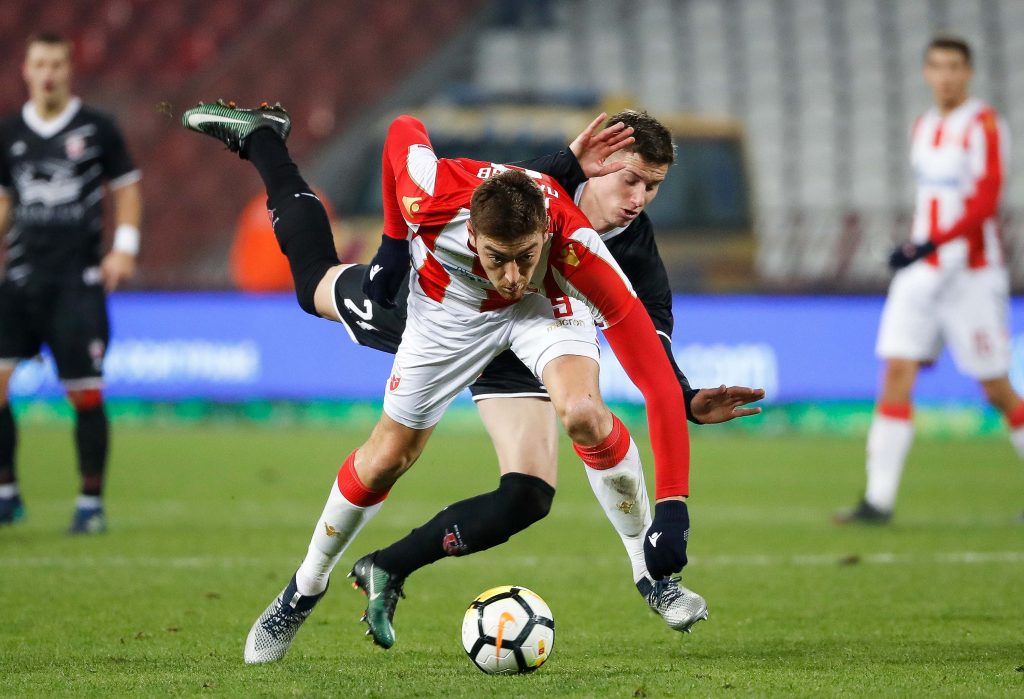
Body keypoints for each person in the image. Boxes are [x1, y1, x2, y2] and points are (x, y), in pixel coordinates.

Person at [183, 100, 709, 662]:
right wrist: (392, 246)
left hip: (543, 310)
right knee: (383, 448)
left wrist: (673, 506)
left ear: (546, 233)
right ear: (472, 235)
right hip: (443, 309)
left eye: (651, 186)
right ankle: (305, 587)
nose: (512, 276)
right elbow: (401, 131)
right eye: (498, 258)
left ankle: (652, 577)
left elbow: (655, 379)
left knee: (581, 416)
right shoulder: (434, 197)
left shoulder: (582, 250)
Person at [836, 35, 1023, 525]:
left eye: (955, 66)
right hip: (921, 271)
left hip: (972, 275)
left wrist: (930, 243)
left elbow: (985, 202)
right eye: (938, 66)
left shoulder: (984, 124)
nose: (946, 76)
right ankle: (877, 501)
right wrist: (920, 247)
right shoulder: (923, 125)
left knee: (996, 388)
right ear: (926, 73)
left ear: (969, 72)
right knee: (897, 372)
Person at [0, 33, 142, 533]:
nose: (48, 73)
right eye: (39, 64)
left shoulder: (97, 127)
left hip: (77, 283)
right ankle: (6, 493)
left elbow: (126, 187)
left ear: (69, 69)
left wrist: (124, 248)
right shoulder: (9, 132)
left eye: (56, 64)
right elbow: (4, 201)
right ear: (26, 69)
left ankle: (90, 503)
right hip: (19, 280)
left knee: (84, 393)